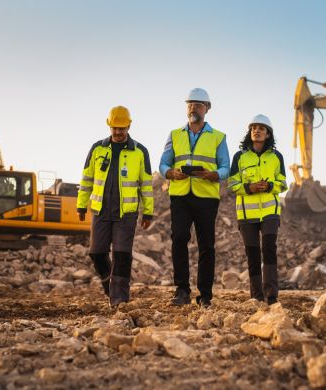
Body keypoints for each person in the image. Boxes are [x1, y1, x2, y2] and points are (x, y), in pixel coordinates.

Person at [159, 88, 230, 308]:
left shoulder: (218, 137)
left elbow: (226, 167)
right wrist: (170, 173)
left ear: (207, 109)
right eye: (190, 104)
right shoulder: (174, 134)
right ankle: (181, 290)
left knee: (206, 246)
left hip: (206, 198)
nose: (193, 108)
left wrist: (214, 175)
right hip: (180, 196)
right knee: (179, 239)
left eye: (198, 104)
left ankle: (205, 295)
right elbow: (163, 163)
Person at [77, 105, 154, 306]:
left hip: (126, 213)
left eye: (122, 128)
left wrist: (148, 212)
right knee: (96, 252)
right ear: (109, 126)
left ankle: (119, 299)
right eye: (115, 128)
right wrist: (81, 205)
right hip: (100, 210)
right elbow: (87, 179)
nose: (118, 132)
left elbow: (146, 185)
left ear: (129, 126)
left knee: (121, 255)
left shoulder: (140, 152)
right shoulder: (97, 149)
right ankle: (109, 286)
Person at [228, 114, 288, 304]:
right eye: (254, 127)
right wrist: (249, 188)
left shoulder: (277, 157)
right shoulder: (239, 157)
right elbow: (231, 185)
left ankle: (271, 295)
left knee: (269, 249)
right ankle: (256, 296)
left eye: (261, 128)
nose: (257, 130)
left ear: (268, 133)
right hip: (247, 214)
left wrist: (270, 186)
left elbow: (283, 183)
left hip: (270, 212)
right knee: (252, 254)